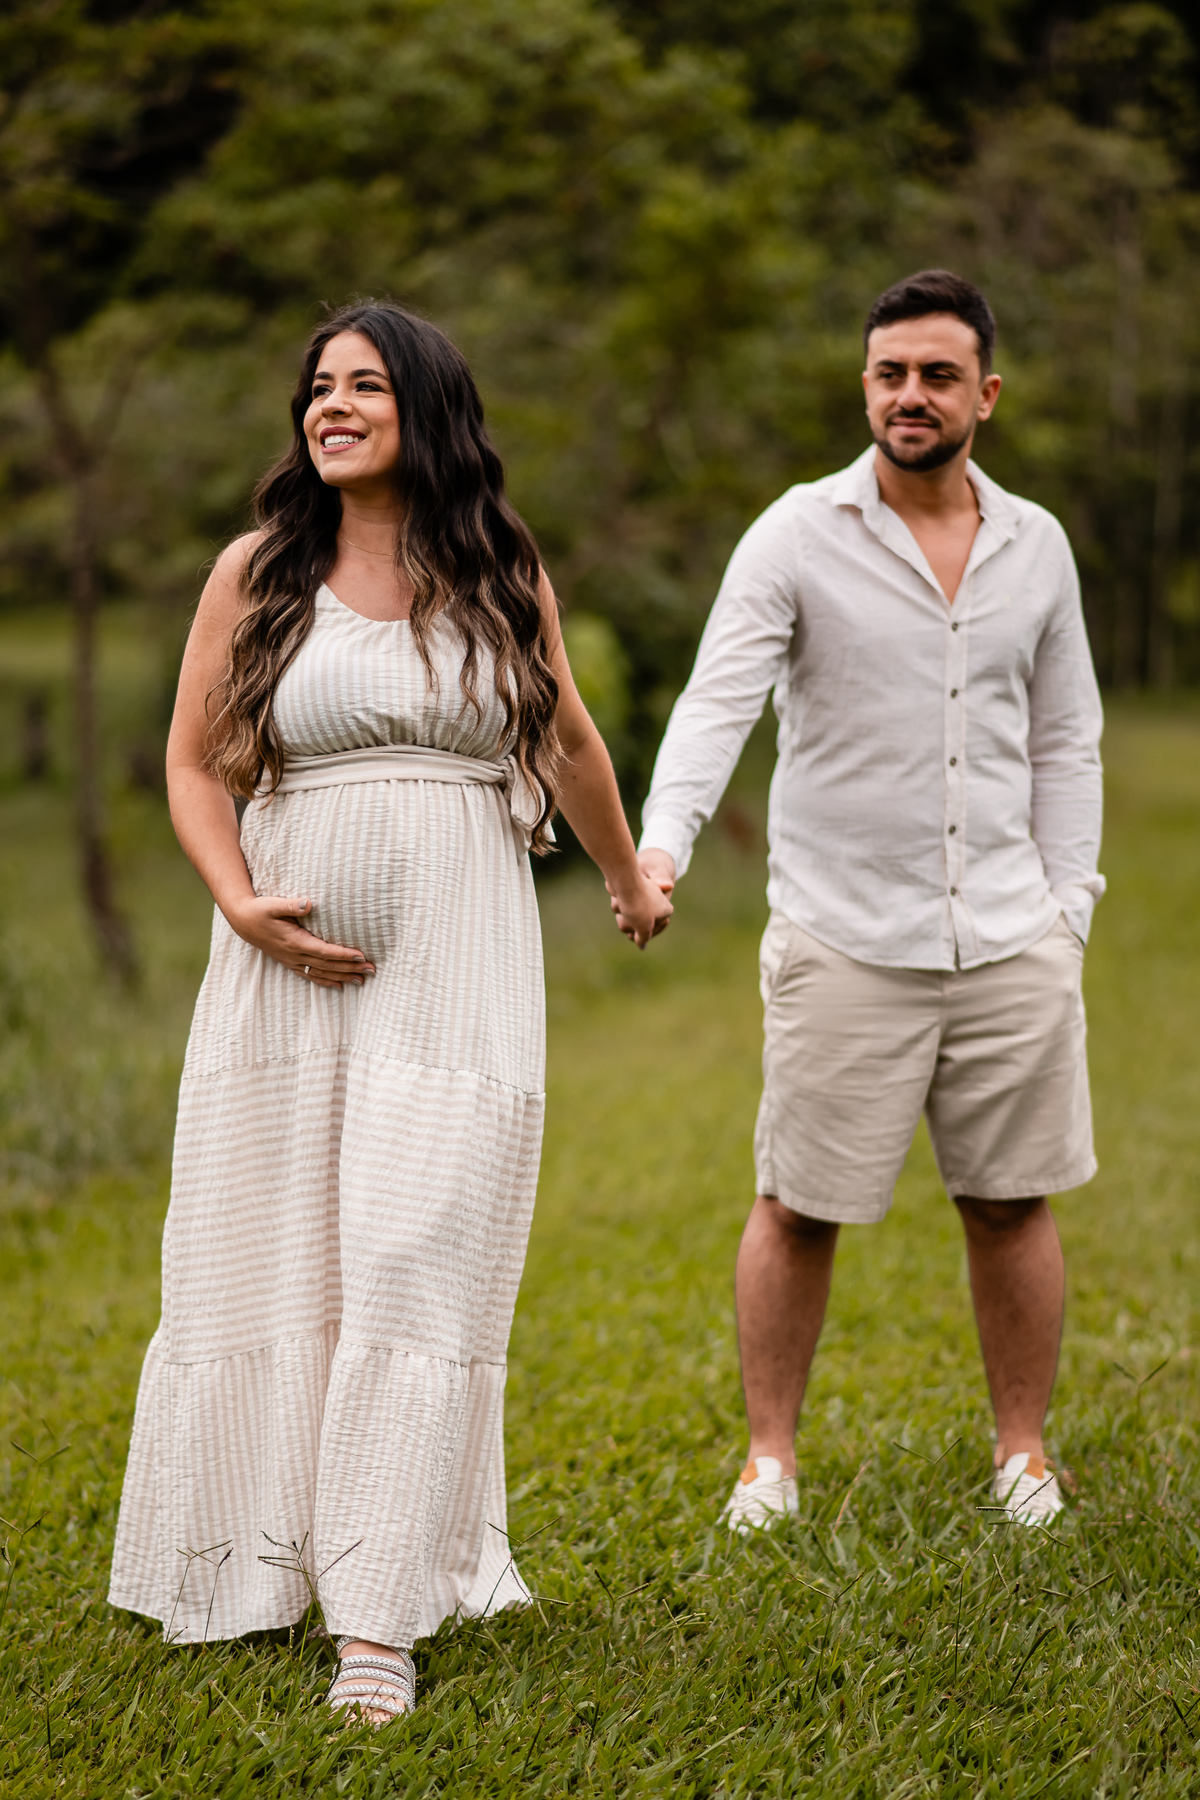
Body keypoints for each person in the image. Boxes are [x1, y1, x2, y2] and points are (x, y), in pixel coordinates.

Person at [109, 299, 671, 1724]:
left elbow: (567, 736)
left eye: (365, 384)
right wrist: (239, 901)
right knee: (277, 1254)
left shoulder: (497, 567)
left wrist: (626, 877)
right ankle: (249, 1561)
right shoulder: (258, 570)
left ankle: (378, 1618)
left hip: (460, 962)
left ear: (428, 406)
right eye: (319, 386)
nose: (333, 405)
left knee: (416, 1253)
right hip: (280, 976)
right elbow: (191, 766)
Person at [633, 270, 1103, 1533]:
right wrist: (660, 850)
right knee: (798, 1203)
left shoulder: (1038, 546)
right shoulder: (795, 534)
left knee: (1011, 1200)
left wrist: (1069, 910)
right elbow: (717, 705)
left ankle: (1023, 1455)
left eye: (938, 374)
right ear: (865, 387)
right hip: (844, 935)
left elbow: (1066, 741)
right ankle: (769, 1464)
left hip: (1009, 934)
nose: (911, 394)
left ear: (986, 396)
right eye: (891, 373)